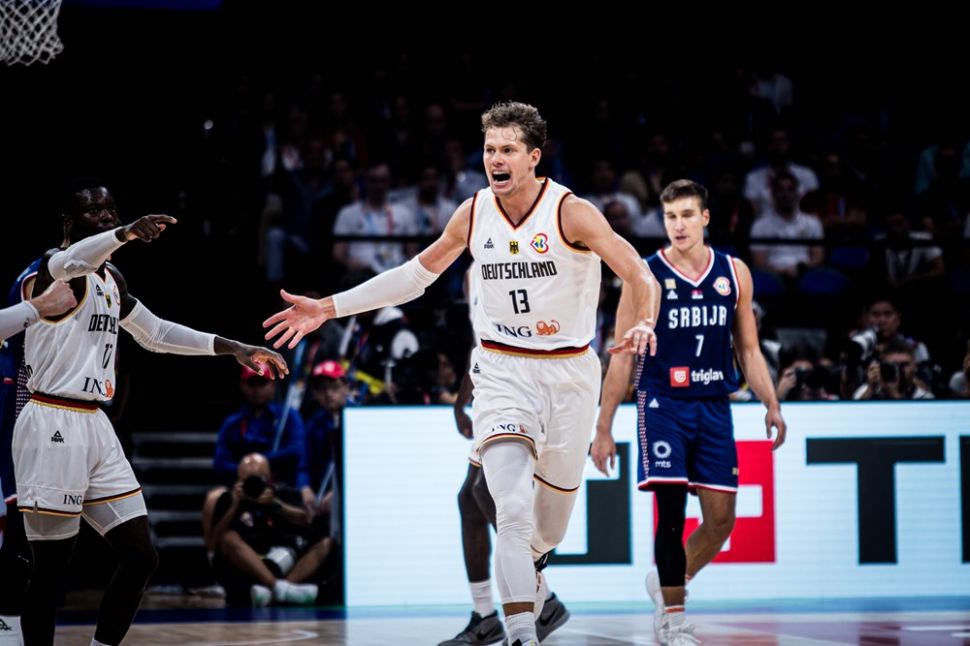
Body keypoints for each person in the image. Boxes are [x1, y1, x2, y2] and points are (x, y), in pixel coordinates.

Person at [265, 101, 658, 646]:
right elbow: (412, 277)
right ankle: (520, 634)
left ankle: (535, 584)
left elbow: (639, 272)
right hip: (501, 371)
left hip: (569, 375)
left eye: (508, 150)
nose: (495, 159)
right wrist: (328, 308)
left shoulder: (571, 212)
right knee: (509, 509)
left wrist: (644, 323)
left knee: (545, 532)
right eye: (489, 149)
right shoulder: (473, 213)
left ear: (534, 157)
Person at [13, 180, 288, 646]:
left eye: (111, 210)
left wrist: (233, 348)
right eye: (94, 211)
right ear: (69, 221)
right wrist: (124, 233)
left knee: (141, 556)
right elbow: (74, 259)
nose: (105, 216)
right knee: (51, 568)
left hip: (95, 423)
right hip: (51, 419)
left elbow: (156, 334)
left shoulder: (112, 280)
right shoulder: (55, 267)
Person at [593, 179, 786, 646]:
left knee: (721, 521)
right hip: (662, 403)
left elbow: (748, 348)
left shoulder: (734, 272)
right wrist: (604, 427)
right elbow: (621, 356)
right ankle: (674, 621)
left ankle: (667, 582)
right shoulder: (645, 274)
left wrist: (772, 403)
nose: (678, 225)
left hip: (714, 404)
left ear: (705, 218)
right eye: (670, 217)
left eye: (686, 215)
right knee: (672, 510)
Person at [439, 366, 569, 646]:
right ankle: (486, 614)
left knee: (483, 491)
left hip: (523, 392)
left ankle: (540, 597)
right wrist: (460, 404)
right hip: (495, 394)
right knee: (469, 499)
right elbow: (479, 349)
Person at [0, 278, 76, 644]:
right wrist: (41, 305)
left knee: (27, 539)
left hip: (35, 429)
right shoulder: (37, 276)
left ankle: (10, 625)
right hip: (20, 424)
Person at [208, 453, 328, 607]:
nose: (253, 485)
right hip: (247, 564)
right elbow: (214, 543)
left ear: (269, 478)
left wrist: (275, 504)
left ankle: (279, 590)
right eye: (247, 480)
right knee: (228, 538)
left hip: (283, 559)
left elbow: (306, 520)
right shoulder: (229, 499)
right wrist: (234, 506)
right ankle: (280, 589)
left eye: (258, 479)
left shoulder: (281, 493)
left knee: (326, 544)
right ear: (238, 481)